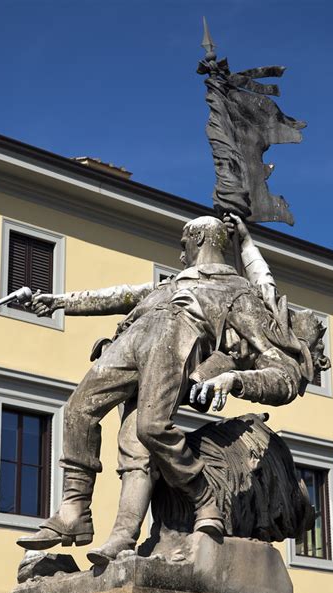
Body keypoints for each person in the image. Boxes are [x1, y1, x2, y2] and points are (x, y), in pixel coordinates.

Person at [16, 215, 317, 563]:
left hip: (176, 338)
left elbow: (284, 372)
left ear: (201, 237)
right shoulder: (167, 286)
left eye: (183, 244)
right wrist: (54, 301)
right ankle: (74, 511)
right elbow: (116, 296)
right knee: (77, 410)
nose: (180, 254)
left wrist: (233, 379)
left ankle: (158, 519)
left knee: (144, 436)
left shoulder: (238, 293)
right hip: (134, 338)